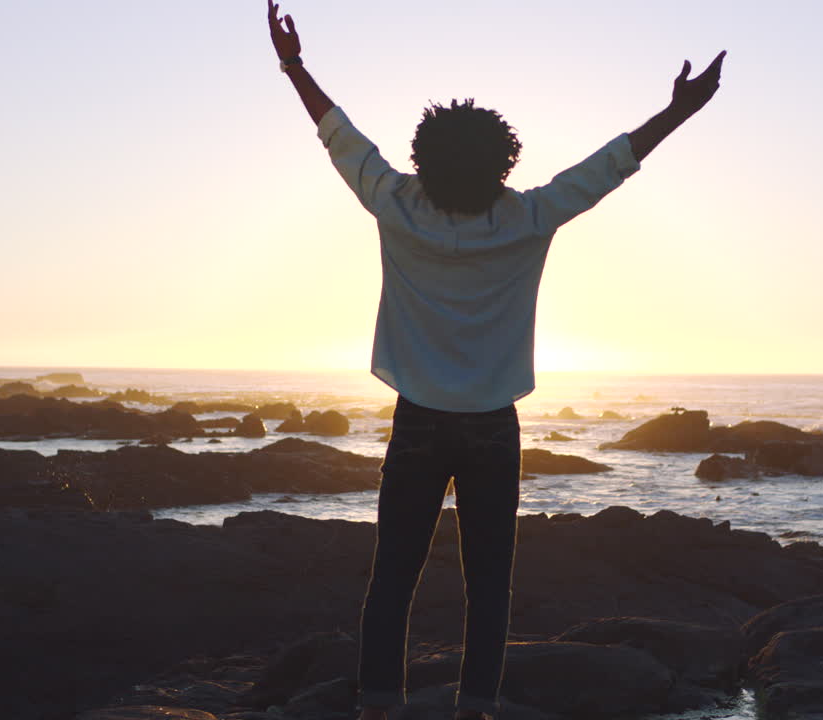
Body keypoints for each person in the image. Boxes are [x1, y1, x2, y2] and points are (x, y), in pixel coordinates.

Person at [266, 3, 725, 718]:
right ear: (504, 160)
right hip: (492, 426)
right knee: (490, 581)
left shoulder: (397, 206)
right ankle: (476, 707)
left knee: (393, 574)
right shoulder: (527, 218)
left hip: (418, 420)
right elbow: (610, 167)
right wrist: (680, 112)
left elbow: (340, 139)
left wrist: (293, 64)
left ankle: (377, 707)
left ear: (423, 158)